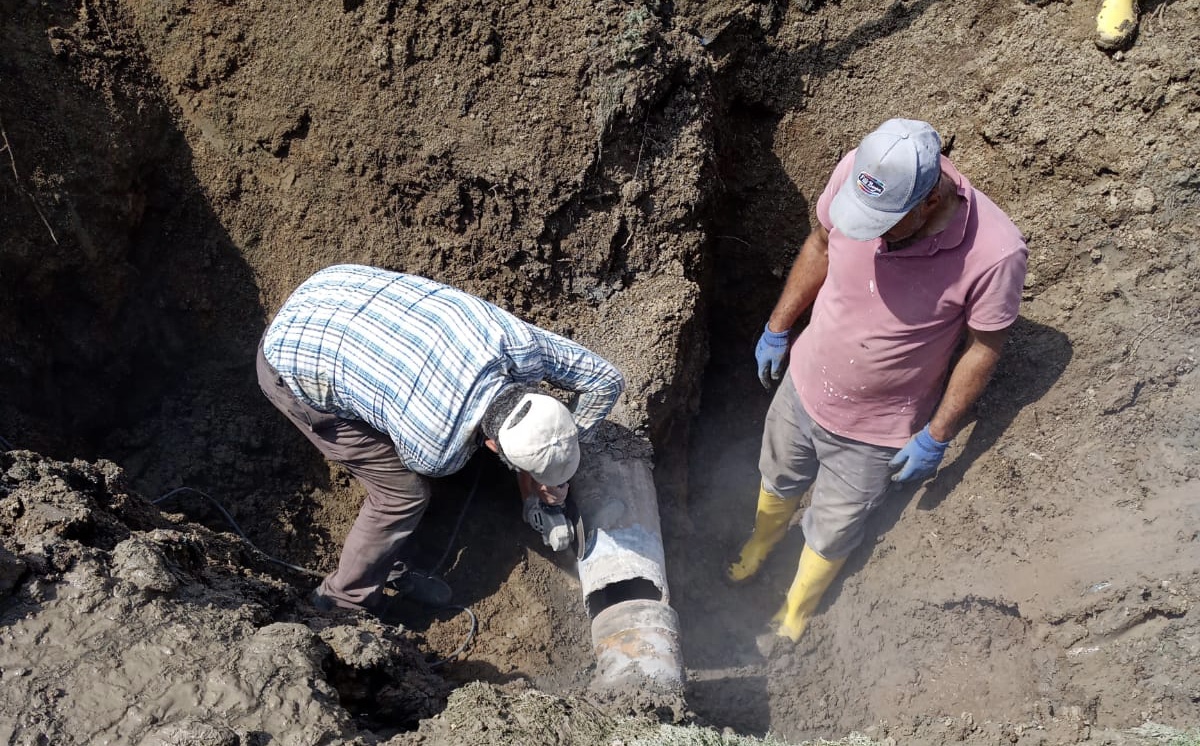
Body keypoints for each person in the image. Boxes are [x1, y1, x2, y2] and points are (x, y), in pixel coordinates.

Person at [729, 119, 1028, 643]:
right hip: (803, 386)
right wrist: (778, 327)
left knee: (834, 526)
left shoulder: (995, 253)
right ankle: (760, 544)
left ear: (929, 201)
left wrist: (938, 435)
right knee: (777, 477)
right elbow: (821, 244)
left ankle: (797, 608)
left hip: (875, 430)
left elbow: (984, 348)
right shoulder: (859, 173)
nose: (869, 233)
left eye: (884, 223)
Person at [257, 264, 625, 617]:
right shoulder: (436, 450)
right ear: (493, 446)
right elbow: (426, 455)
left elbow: (606, 379)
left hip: (338, 286)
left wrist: (554, 462)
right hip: (290, 361)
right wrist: (533, 482)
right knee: (402, 494)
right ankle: (341, 601)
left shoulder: (520, 346)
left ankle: (386, 563)